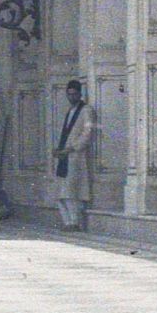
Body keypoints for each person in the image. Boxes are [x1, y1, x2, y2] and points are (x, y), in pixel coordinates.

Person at [54, 79, 94, 232]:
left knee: (71, 192)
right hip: (65, 156)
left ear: (80, 94)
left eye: (74, 94)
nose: (72, 97)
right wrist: (60, 150)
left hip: (75, 156)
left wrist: (72, 148)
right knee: (61, 193)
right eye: (69, 94)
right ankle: (67, 222)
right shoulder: (69, 111)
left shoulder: (86, 110)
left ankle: (74, 222)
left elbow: (87, 133)